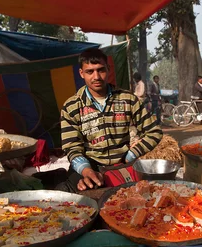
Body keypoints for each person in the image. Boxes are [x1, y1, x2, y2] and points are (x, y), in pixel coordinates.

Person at [60, 48, 163, 191]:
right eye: (90, 71)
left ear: (108, 69)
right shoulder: (71, 106)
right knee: (81, 195)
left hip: (122, 163)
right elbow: (72, 147)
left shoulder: (128, 99)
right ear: (81, 73)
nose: (96, 76)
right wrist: (86, 171)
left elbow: (154, 132)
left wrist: (130, 156)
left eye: (101, 70)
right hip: (89, 164)